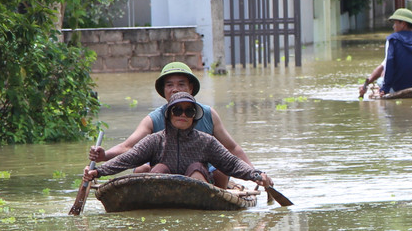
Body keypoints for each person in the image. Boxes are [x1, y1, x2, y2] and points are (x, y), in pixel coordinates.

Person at [89, 61, 253, 188]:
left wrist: (256, 174)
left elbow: (232, 153)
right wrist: (102, 162)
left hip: (203, 174)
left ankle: (214, 196)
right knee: (143, 169)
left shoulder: (207, 129)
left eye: (181, 84)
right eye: (170, 85)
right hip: (164, 172)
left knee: (214, 168)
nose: (175, 89)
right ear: (168, 116)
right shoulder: (154, 129)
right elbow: (128, 150)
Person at [84, 94, 273, 189]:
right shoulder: (155, 141)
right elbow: (127, 158)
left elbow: (232, 163)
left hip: (197, 188)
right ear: (168, 115)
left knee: (197, 168)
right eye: (177, 110)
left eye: (188, 111)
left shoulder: (206, 142)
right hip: (162, 189)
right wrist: (98, 171)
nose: (183, 115)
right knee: (158, 170)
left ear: (193, 117)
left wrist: (257, 175)